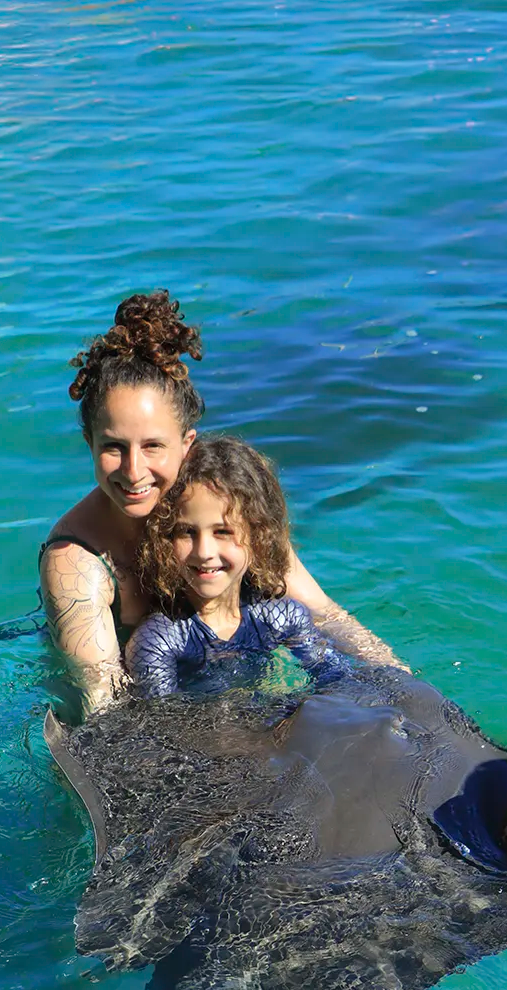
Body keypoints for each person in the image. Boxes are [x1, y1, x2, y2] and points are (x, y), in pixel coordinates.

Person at [40, 289, 405, 714]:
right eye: (114, 447)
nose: (134, 470)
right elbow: (102, 704)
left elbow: (322, 612)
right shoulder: (76, 562)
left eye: (154, 446)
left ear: (186, 444)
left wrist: (405, 686)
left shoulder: (223, 504)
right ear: (89, 442)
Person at [127, 436, 349, 697]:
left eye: (222, 532)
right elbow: (158, 722)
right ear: (165, 538)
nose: (205, 552)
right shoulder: (159, 640)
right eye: (187, 532)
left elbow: (338, 679)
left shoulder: (282, 617)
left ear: (257, 536)